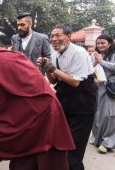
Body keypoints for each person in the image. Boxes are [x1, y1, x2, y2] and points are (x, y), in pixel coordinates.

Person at [0, 42, 75, 170]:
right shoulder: (5, 55)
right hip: (42, 109)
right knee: (29, 157)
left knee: (42, 158)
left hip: (40, 114)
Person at [38, 24, 97, 170]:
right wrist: (47, 68)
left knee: (75, 149)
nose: (54, 39)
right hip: (65, 102)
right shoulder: (55, 53)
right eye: (52, 36)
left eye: (58, 35)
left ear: (68, 37)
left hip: (82, 104)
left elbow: (75, 82)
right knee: (61, 142)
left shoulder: (79, 53)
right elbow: (54, 80)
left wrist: (53, 68)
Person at [91, 34, 115, 154]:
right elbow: (89, 68)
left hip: (110, 89)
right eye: (98, 43)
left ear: (109, 43)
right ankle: (97, 138)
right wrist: (95, 62)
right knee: (97, 113)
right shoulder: (95, 55)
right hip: (97, 88)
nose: (100, 45)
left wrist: (102, 62)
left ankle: (108, 142)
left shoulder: (113, 55)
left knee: (109, 115)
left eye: (103, 43)